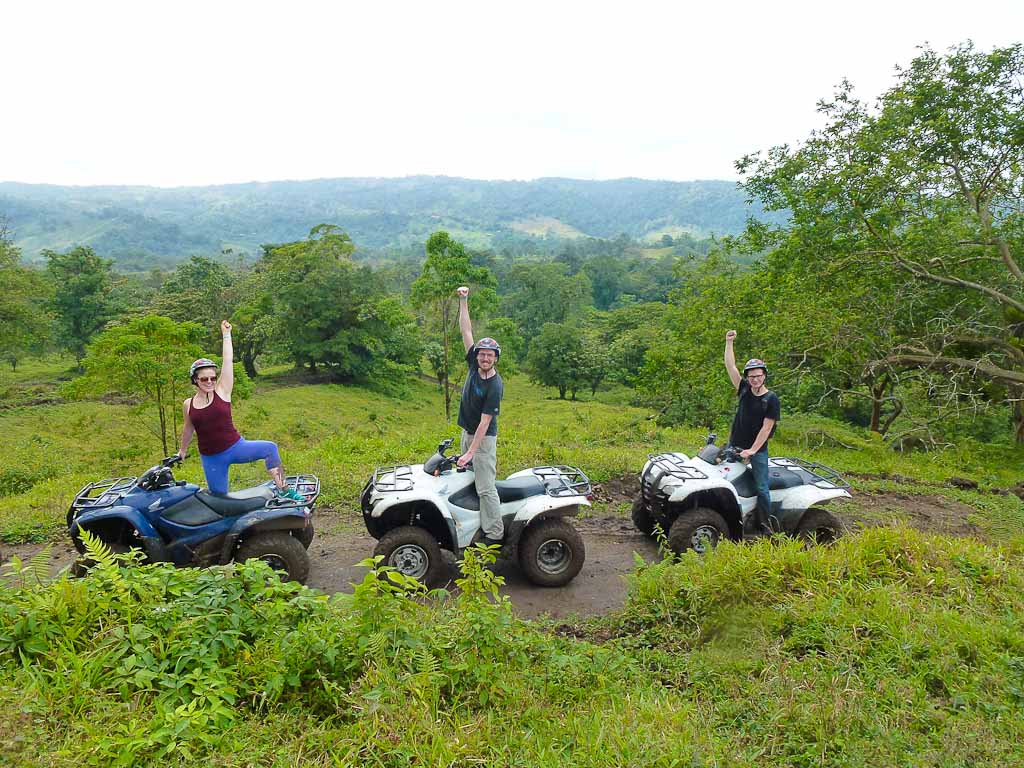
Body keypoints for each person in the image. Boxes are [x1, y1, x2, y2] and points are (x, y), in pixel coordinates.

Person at [177, 320, 303, 500]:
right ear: (195, 380)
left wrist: (226, 335)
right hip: (211, 458)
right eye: (204, 379)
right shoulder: (188, 404)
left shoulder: (222, 390)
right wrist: (182, 451)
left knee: (270, 448)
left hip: (235, 446)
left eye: (213, 378)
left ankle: (284, 489)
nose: (210, 382)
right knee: (219, 498)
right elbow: (188, 428)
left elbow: (227, 360)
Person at [455, 286, 505, 546]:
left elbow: (485, 423)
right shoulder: (473, 365)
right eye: (482, 354)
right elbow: (466, 331)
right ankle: (472, 521)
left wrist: (471, 452)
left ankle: (494, 533)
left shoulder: (495, 386)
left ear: (496, 359)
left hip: (483, 440)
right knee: (467, 479)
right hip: (467, 432)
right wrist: (464, 301)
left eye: (489, 355)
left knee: (486, 487)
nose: (484, 358)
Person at [724, 330, 780, 535]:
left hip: (757, 449)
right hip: (734, 443)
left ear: (764, 376)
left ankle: (765, 525)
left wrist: (752, 451)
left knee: (762, 488)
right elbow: (730, 366)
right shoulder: (745, 389)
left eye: (758, 376)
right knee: (722, 477)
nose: (755, 379)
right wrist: (729, 342)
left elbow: (767, 428)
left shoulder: (771, 399)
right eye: (751, 376)